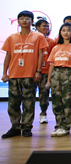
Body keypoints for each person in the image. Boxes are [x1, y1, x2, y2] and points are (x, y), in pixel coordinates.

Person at [1, 10, 48, 138]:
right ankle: (15, 127)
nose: (24, 20)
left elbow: (40, 55)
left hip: (30, 75)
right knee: (13, 103)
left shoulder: (38, 36)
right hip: (14, 75)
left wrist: (38, 71)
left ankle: (27, 127)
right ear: (18, 21)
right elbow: (8, 55)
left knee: (29, 102)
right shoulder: (11, 37)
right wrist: (4, 73)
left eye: (27, 18)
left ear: (32, 22)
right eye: (21, 18)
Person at [46, 23, 71, 137]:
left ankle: (66, 126)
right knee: (56, 101)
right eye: (63, 30)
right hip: (56, 74)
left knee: (67, 101)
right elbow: (51, 64)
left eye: (68, 30)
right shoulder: (56, 47)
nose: (66, 32)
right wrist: (48, 80)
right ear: (60, 33)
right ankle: (58, 125)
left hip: (68, 74)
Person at [35, 19, 55, 125]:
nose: (46, 28)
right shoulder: (32, 40)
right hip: (33, 72)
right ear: (37, 27)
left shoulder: (51, 42)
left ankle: (43, 114)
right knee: (28, 95)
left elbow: (53, 59)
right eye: (44, 26)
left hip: (46, 72)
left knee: (44, 94)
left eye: (47, 26)